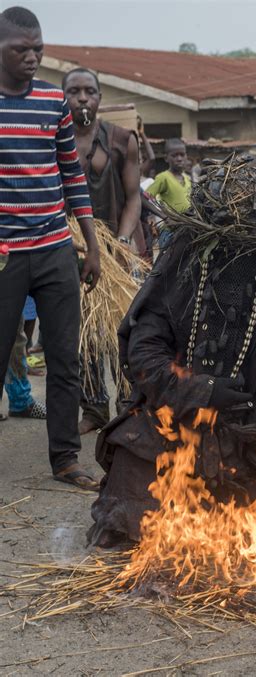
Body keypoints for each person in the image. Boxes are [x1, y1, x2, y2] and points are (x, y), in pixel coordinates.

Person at [88, 155, 256, 548]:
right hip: (179, 400)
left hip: (250, 401)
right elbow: (144, 357)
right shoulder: (179, 273)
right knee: (136, 439)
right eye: (229, 250)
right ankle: (130, 523)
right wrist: (202, 390)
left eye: (248, 254)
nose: (238, 262)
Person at [0, 6, 100, 489]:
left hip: (56, 248)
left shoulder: (52, 102)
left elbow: (72, 176)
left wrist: (92, 246)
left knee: (64, 358)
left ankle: (65, 459)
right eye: (21, 50)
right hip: (4, 255)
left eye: (38, 49)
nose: (33, 58)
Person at [62, 67, 142, 433]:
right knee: (81, 332)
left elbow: (133, 198)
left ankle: (129, 404)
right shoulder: (53, 139)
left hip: (113, 250)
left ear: (100, 97)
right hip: (69, 250)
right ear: (62, 97)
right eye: (74, 91)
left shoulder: (122, 139)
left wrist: (123, 242)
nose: (82, 98)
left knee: (119, 329)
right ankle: (93, 408)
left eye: (89, 91)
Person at [147, 138, 192, 213]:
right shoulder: (163, 177)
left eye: (182, 155)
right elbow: (144, 198)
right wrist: (163, 216)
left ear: (186, 156)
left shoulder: (187, 178)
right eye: (174, 156)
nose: (179, 159)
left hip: (189, 223)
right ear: (166, 158)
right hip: (172, 224)